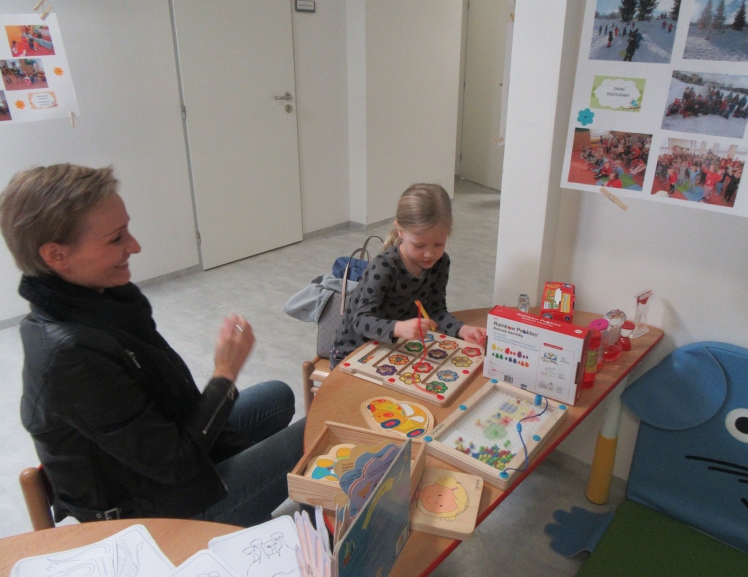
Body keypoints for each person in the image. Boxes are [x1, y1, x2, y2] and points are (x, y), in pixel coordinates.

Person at [0, 164, 305, 527]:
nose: (135, 246)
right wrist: (224, 375)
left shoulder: (107, 303)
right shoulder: (70, 356)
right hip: (155, 514)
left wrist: (241, 448)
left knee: (276, 396)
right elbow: (177, 463)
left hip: (161, 464)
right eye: (116, 239)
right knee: (314, 435)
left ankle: (255, 501)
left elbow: (174, 414)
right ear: (57, 256)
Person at [329, 183, 486, 369]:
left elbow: (436, 310)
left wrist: (462, 329)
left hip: (397, 348)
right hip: (353, 353)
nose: (430, 254)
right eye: (419, 245)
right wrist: (398, 328)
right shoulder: (384, 266)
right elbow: (361, 321)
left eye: (439, 244)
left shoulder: (441, 262)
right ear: (400, 231)